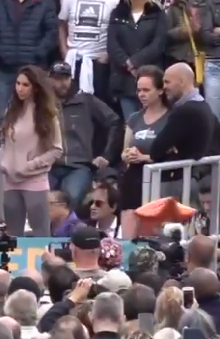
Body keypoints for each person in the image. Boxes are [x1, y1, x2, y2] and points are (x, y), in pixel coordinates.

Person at [0, 65, 62, 236]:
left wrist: (31, 165)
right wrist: (3, 162)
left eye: (25, 85)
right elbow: (4, 141)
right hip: (10, 179)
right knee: (12, 234)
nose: (20, 88)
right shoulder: (11, 110)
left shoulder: (47, 114)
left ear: (36, 87)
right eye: (18, 83)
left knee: (41, 233)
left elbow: (56, 149)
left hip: (34, 180)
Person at [48, 62, 120, 208]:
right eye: (57, 79)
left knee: (70, 200)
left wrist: (107, 155)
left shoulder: (86, 101)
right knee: (41, 202)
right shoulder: (43, 104)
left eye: (65, 78)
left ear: (71, 78)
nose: (61, 83)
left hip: (78, 166)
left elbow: (115, 122)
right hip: (48, 166)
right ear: (50, 80)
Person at [120, 66, 172, 238]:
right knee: (129, 225)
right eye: (139, 90)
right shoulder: (134, 118)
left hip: (162, 177)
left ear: (160, 91)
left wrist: (146, 157)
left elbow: (175, 152)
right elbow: (124, 151)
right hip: (134, 177)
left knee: (152, 232)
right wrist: (127, 155)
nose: (141, 94)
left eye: (146, 90)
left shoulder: (171, 117)